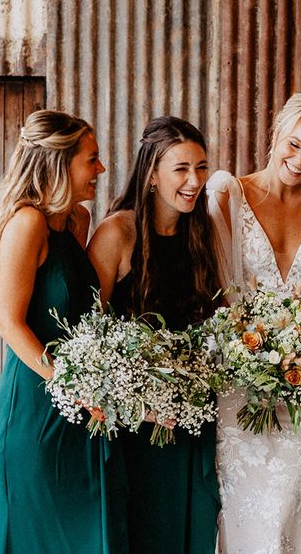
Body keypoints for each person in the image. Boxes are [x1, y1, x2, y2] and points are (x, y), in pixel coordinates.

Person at [207, 91, 301, 554]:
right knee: (244, 514)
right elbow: (220, 293)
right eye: (294, 145)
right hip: (241, 383)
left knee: (296, 503)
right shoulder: (230, 194)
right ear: (275, 136)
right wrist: (245, 354)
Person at [0, 110, 128, 553]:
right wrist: (72, 383)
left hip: (80, 417)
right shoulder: (27, 224)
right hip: (34, 414)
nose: (101, 170)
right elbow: (9, 322)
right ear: (60, 163)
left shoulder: (76, 222)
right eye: (92, 160)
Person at [88, 116, 221, 554]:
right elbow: (88, 341)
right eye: (181, 168)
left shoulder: (200, 235)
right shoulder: (117, 233)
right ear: (151, 174)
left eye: (201, 168)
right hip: (133, 430)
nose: (195, 180)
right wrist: (139, 404)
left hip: (189, 424)